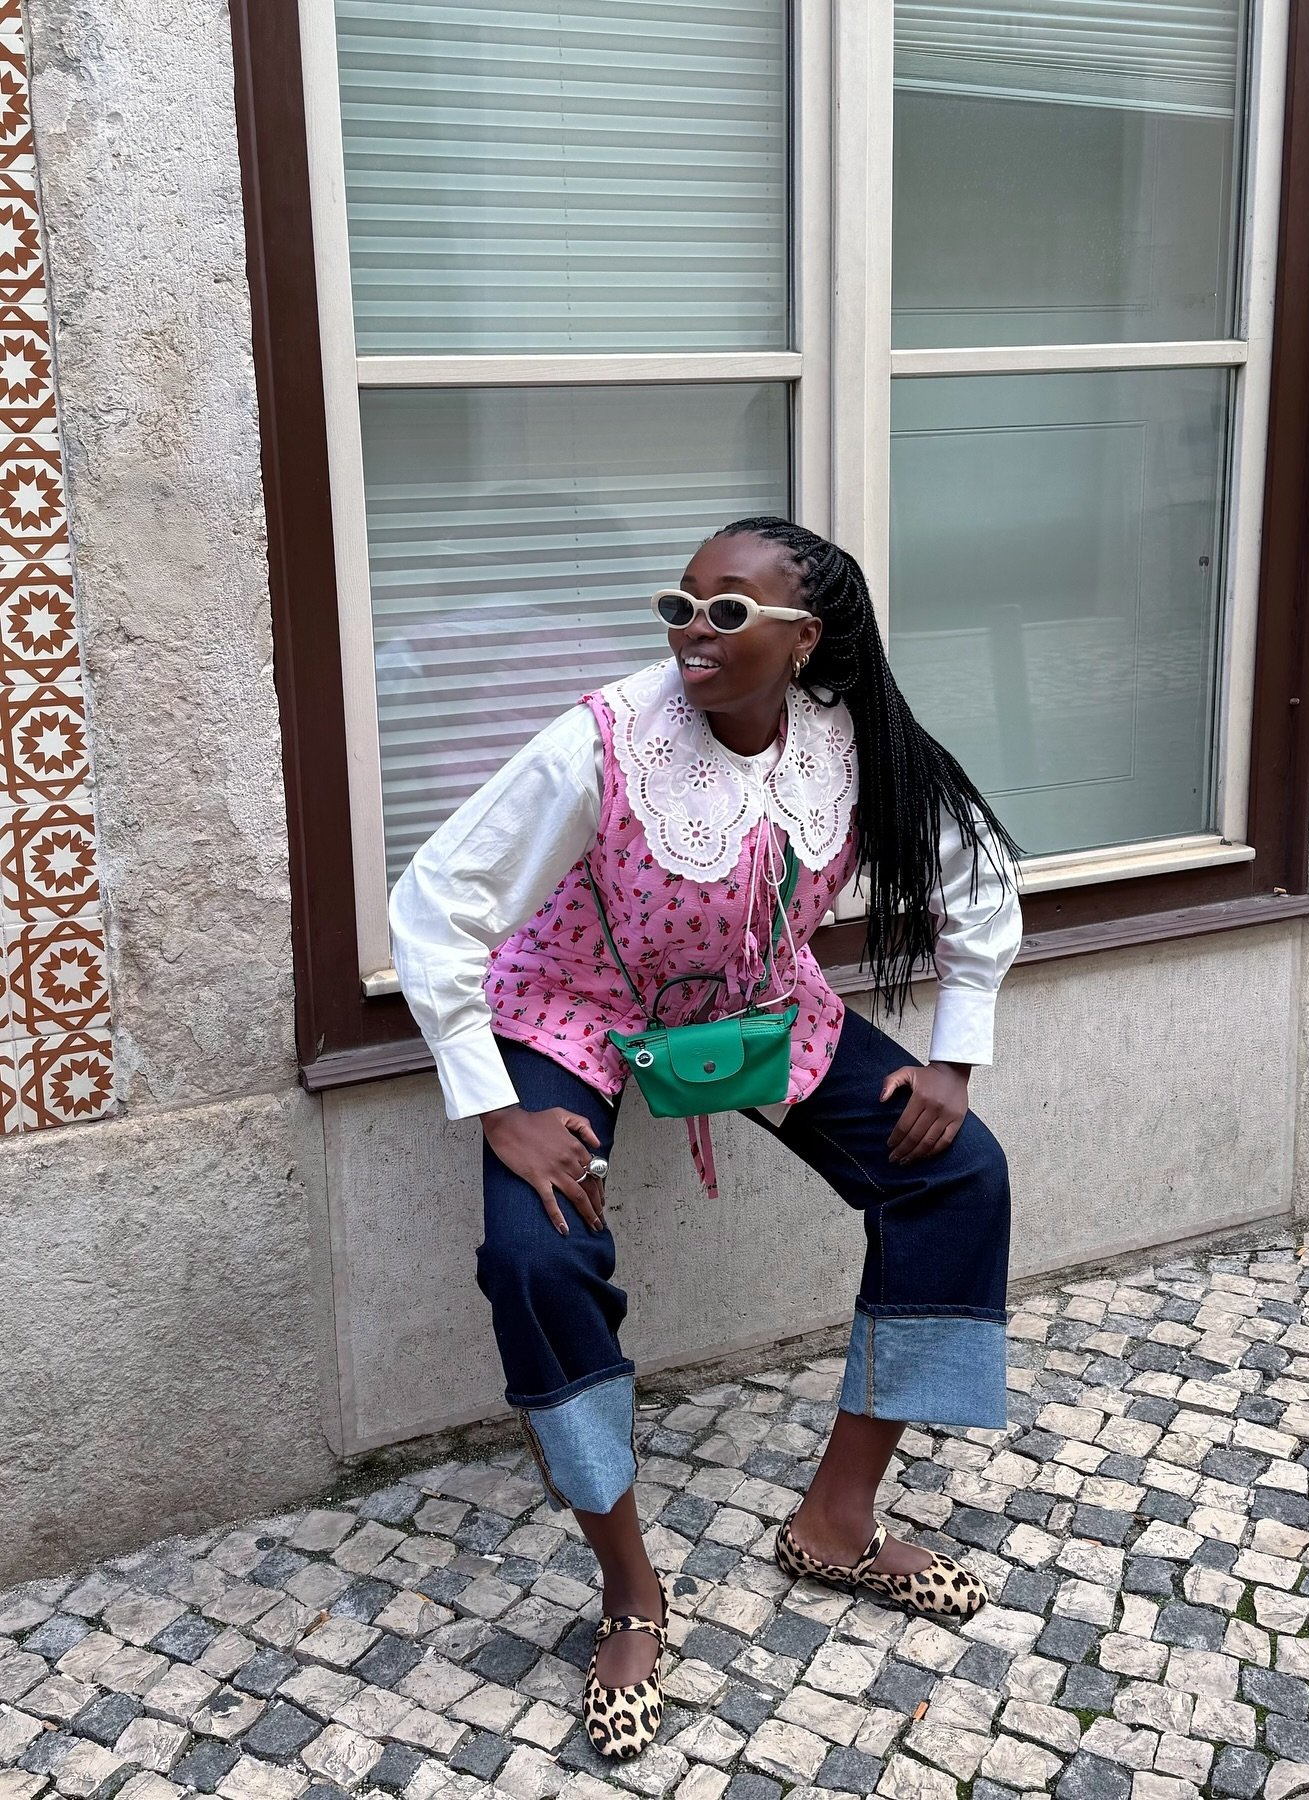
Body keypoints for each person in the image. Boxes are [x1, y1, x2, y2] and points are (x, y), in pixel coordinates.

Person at [389, 516, 1023, 1760]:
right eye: (679, 605)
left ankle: (835, 1521)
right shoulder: (605, 740)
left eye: (728, 613)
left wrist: (952, 1057)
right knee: (536, 1260)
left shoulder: (850, 744)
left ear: (804, 638)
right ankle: (629, 1592)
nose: (692, 632)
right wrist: (499, 1106)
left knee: (957, 1173)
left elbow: (980, 875)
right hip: (571, 1012)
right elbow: (438, 904)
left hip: (754, 1011)